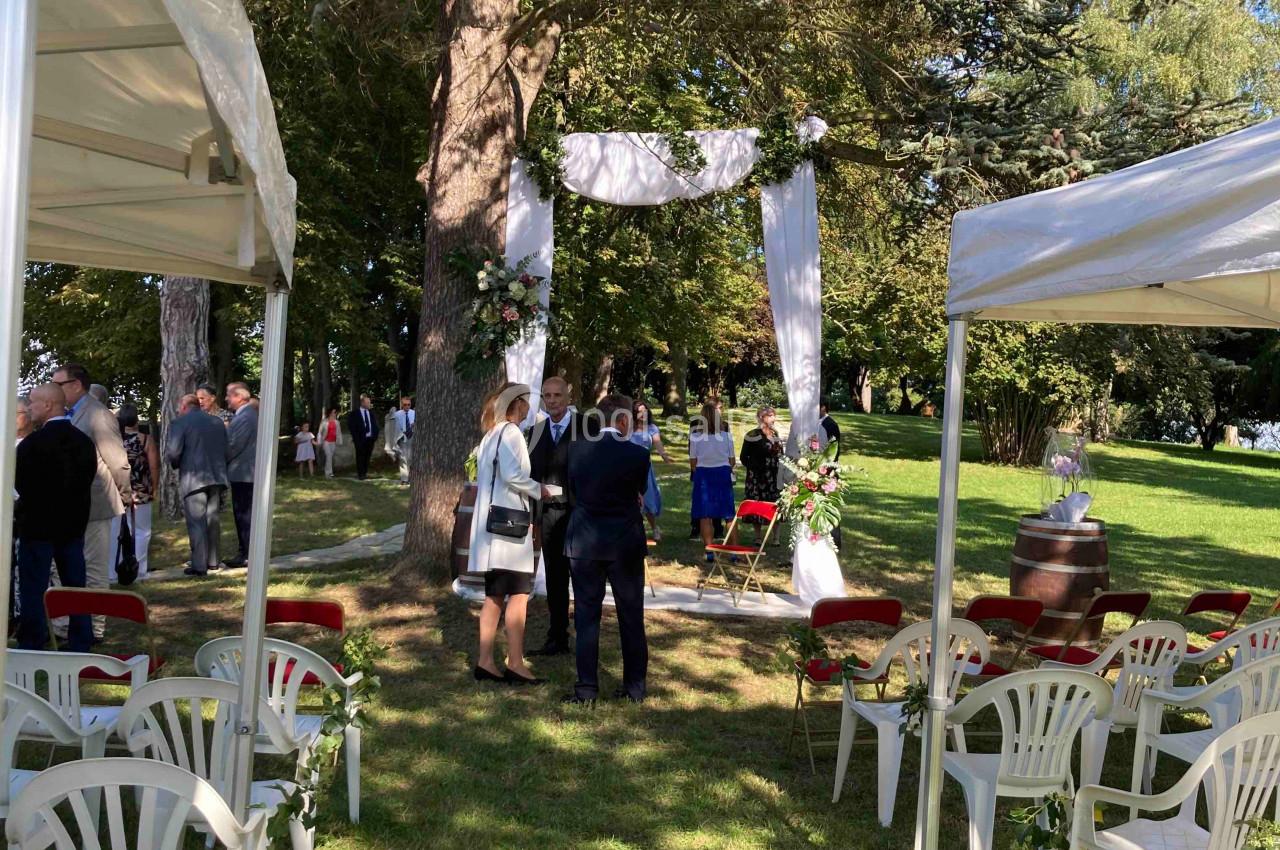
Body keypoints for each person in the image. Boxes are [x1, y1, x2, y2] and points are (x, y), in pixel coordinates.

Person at [563, 393, 652, 705]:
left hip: (585, 541)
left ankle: (586, 688)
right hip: (624, 542)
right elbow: (639, 491)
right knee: (631, 615)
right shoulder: (638, 454)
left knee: (586, 616)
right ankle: (635, 687)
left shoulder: (576, 450)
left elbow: (574, 491)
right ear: (624, 421)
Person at [467, 383, 547, 685]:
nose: (529, 407)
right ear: (517, 403)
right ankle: (515, 662)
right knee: (518, 596)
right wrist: (539, 489)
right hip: (508, 530)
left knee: (494, 596)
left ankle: (485, 661)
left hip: (491, 531)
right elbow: (513, 476)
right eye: (526, 401)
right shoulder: (511, 433)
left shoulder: (491, 434)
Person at [14, 383, 96, 651]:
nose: (29, 407)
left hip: (37, 527)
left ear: (48, 405)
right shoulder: (83, 442)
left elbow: (20, 486)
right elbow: (86, 481)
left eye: (32, 402)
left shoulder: (31, 445)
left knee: (33, 588)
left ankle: (32, 641)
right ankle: (81, 639)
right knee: (76, 586)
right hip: (72, 526)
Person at [52, 363, 129, 640]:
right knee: (64, 565)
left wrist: (124, 494)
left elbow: (117, 461)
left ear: (75, 385)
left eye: (58, 384)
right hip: (68, 504)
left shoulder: (98, 414)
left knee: (94, 567)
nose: (53, 389)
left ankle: (95, 627)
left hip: (96, 502)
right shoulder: (67, 414)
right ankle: (64, 625)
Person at [526, 376, 588, 657]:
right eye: (547, 396)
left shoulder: (587, 427)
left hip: (581, 516)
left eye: (557, 395)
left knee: (583, 577)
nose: (551, 401)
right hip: (550, 516)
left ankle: (586, 637)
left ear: (568, 397)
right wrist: (534, 519)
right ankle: (557, 637)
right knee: (555, 578)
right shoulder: (536, 432)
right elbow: (531, 476)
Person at [165, 393, 229, 577]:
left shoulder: (180, 423)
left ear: (184, 406)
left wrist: (177, 464)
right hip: (216, 475)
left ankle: (199, 564)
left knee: (196, 521)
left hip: (193, 476)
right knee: (212, 519)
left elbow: (174, 452)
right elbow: (227, 449)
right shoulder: (217, 422)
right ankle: (213, 561)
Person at [110, 404, 160, 580]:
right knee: (142, 531)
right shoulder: (145, 439)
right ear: (136, 419)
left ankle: (112, 570)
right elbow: (154, 466)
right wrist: (154, 487)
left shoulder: (114, 440)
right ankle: (139, 569)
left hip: (118, 489)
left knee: (116, 531)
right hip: (141, 489)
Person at [690, 401, 737, 555]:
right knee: (729, 514)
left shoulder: (695, 437)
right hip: (722, 473)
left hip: (703, 474)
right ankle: (734, 551)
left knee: (705, 515)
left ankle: (709, 550)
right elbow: (732, 461)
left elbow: (693, 463)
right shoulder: (726, 436)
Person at [630, 399, 673, 542]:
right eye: (640, 411)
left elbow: (658, 443)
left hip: (645, 469)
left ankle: (654, 528)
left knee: (648, 499)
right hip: (629, 469)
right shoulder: (628, 428)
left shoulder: (652, 428)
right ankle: (634, 530)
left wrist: (665, 456)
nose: (643, 413)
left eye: (645, 410)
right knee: (631, 500)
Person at [224, 381, 257, 568]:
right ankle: (245, 551)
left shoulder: (245, 417)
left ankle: (246, 554)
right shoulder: (246, 415)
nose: (226, 398)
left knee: (244, 515)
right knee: (243, 514)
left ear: (239, 397)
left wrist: (219, 459)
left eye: (229, 395)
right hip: (244, 473)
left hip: (244, 474)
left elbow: (234, 446)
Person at [740, 406, 783, 543]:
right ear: (761, 417)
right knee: (757, 505)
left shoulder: (775, 434)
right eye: (770, 415)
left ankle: (776, 537)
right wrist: (754, 468)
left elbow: (780, 453)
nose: (773, 418)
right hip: (757, 477)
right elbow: (743, 457)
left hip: (774, 475)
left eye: (774, 415)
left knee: (775, 504)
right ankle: (758, 537)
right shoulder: (752, 435)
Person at [347, 394, 378, 480]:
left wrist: (374, 436)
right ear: (362, 403)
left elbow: (375, 425)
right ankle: (360, 474)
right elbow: (352, 427)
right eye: (367, 402)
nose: (369, 404)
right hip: (360, 439)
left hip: (370, 439)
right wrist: (356, 438)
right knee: (360, 456)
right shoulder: (354, 414)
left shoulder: (371, 413)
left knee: (367, 456)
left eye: (369, 402)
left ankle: (364, 472)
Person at [389, 396, 415, 484]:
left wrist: (414, 425)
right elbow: (392, 427)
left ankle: (411, 477)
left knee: (411, 458)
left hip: (412, 437)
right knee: (403, 458)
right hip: (402, 437)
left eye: (409, 404)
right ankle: (404, 479)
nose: (407, 406)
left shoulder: (414, 413)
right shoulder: (397, 414)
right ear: (401, 405)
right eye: (405, 404)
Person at [318, 408, 344, 478]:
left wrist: (339, 441)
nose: (335, 414)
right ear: (330, 413)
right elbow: (320, 432)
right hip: (326, 441)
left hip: (333, 441)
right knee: (329, 456)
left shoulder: (337, 422)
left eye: (335, 412)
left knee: (330, 457)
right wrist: (319, 441)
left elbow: (339, 432)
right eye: (334, 412)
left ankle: (329, 472)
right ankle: (329, 473)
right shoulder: (324, 422)